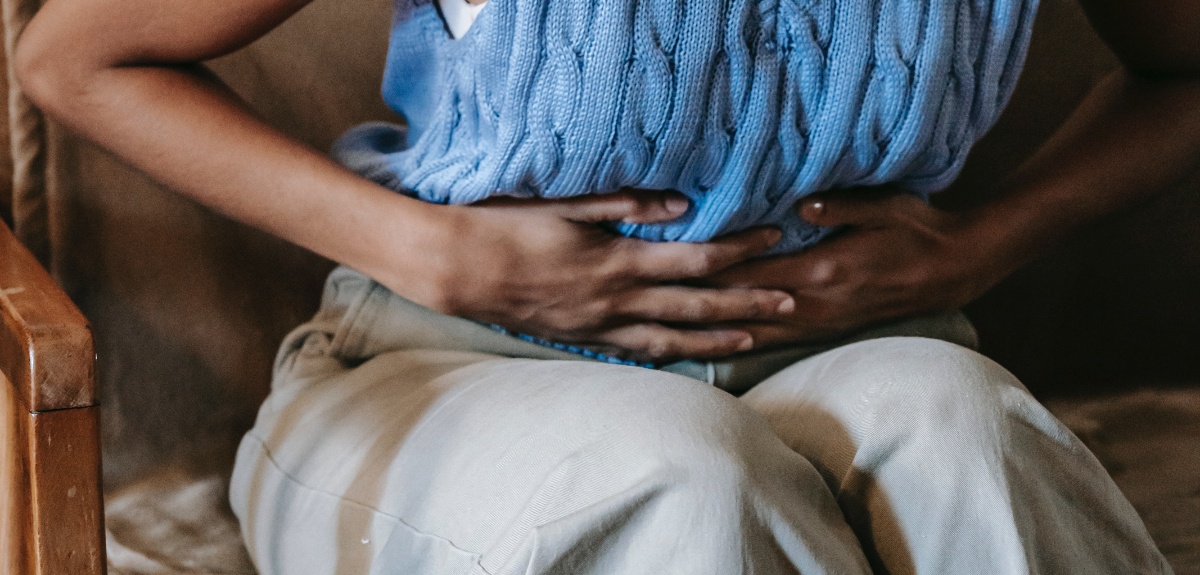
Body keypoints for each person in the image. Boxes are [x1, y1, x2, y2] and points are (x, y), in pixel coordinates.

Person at [13, 0, 1197, 572]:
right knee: (679, 477)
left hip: (859, 354)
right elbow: (76, 57)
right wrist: (437, 252)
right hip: (444, 366)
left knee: (971, 429)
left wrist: (984, 240)